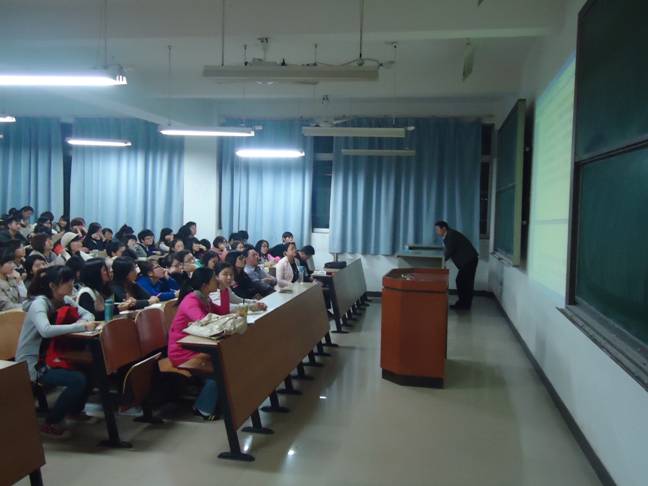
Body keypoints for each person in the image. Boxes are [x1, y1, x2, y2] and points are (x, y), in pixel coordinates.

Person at [14, 265, 97, 439]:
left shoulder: (64, 299)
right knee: (77, 380)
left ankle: (74, 411)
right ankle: (51, 422)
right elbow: (45, 330)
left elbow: (88, 315)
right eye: (67, 282)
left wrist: (82, 323)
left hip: (54, 355)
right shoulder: (39, 303)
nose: (72, 285)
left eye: (72, 281)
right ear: (52, 285)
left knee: (92, 369)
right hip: (34, 362)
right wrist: (80, 326)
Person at [167, 267, 227, 420]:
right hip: (182, 351)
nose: (218, 280)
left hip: (198, 347)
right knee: (219, 369)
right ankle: (202, 408)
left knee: (226, 362)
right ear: (205, 285)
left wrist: (224, 291)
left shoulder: (205, 298)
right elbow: (203, 322)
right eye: (214, 279)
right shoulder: (191, 301)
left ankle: (219, 401)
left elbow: (222, 312)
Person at [435, 221, 479, 310]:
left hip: (469, 261)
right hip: (468, 260)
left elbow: (449, 251)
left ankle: (464, 304)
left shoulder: (451, 235)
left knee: (463, 281)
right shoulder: (449, 235)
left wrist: (440, 262)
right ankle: (464, 303)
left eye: (437, 229)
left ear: (444, 228)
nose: (436, 231)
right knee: (464, 282)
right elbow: (448, 251)